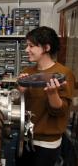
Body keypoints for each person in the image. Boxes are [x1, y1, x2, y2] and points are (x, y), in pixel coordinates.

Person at [16, 26, 75, 166]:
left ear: (46, 47)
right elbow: (19, 104)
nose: (26, 50)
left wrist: (52, 93)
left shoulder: (64, 74)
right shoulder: (27, 71)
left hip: (46, 143)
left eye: (31, 46)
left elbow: (60, 111)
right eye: (26, 46)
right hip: (24, 138)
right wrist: (21, 91)